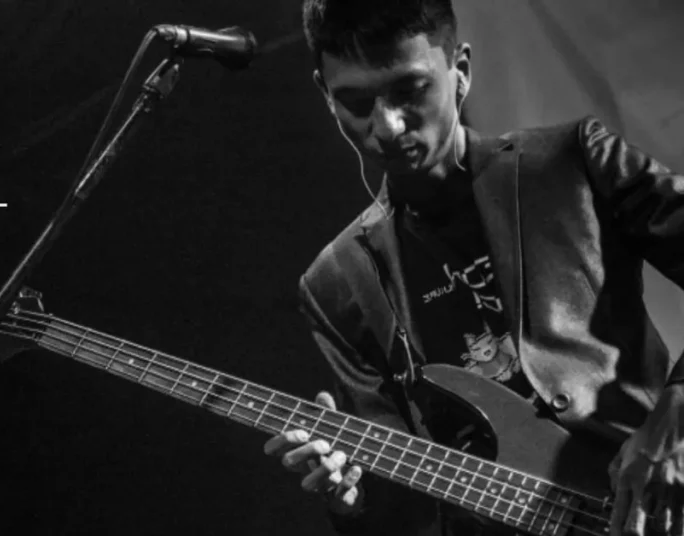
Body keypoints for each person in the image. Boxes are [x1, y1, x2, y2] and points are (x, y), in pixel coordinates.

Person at [262, 1, 684, 535]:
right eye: (356, 101)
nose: (387, 126)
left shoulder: (572, 162)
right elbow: (403, 513)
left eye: (410, 90)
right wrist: (352, 499)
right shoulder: (336, 283)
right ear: (325, 95)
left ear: (460, 70)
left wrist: (677, 412)